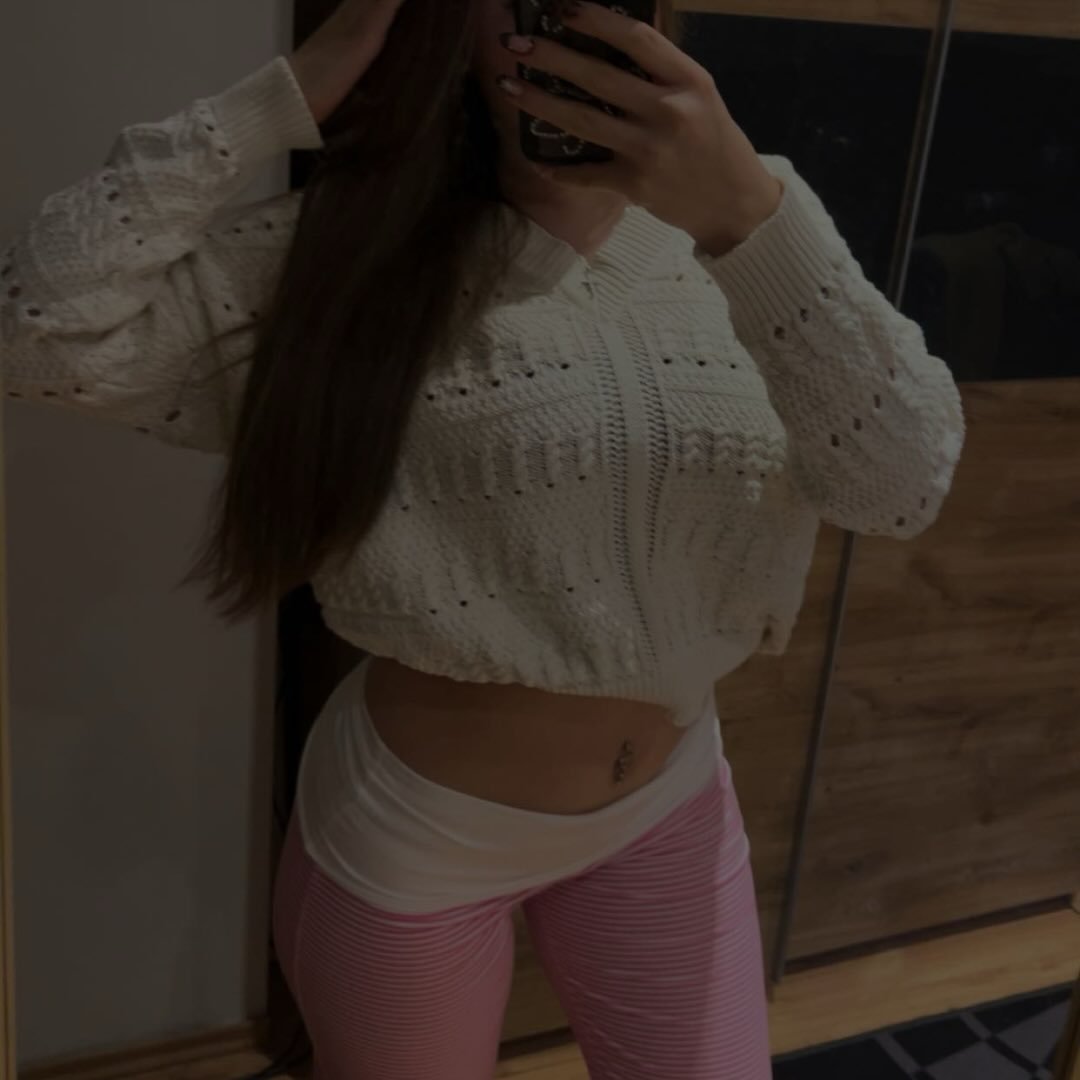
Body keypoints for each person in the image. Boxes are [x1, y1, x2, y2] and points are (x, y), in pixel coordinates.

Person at [0, 0, 966, 1075]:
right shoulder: (343, 251)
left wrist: (748, 215)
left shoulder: (755, 221)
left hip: (670, 810)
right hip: (418, 842)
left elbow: (902, 487)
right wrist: (276, 101)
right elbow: (37, 333)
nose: (563, 24)